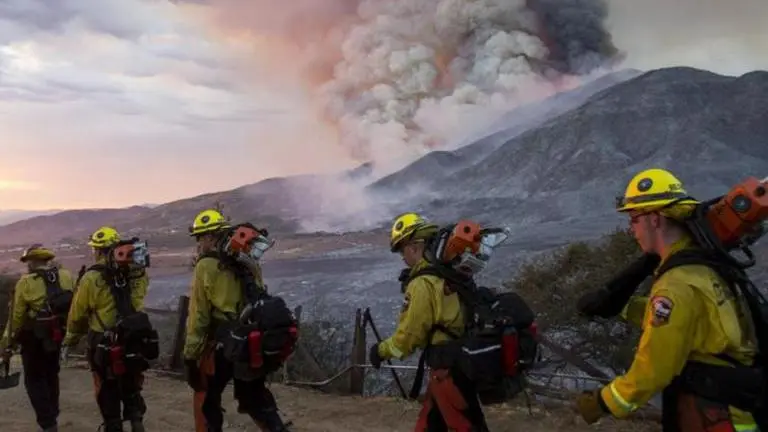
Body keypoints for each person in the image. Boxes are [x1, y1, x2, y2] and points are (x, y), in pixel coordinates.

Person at [574, 168, 760, 431]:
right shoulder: (704, 267)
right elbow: (687, 322)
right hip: (735, 414)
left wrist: (602, 402)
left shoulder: (675, 285)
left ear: (655, 219)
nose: (631, 230)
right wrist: (623, 307)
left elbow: (653, 369)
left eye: (634, 219)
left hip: (713, 416)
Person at [368, 212, 489, 431]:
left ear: (414, 247)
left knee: (466, 426)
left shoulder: (423, 282)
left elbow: (409, 337)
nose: (403, 258)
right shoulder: (448, 274)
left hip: (448, 371)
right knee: (429, 424)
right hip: (458, 364)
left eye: (402, 250)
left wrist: (380, 351)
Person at [183, 209, 289, 432]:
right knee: (255, 399)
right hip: (250, 341)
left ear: (210, 236)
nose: (199, 244)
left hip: (221, 344)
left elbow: (199, 316)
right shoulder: (248, 260)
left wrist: (190, 356)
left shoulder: (205, 266)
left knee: (207, 398)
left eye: (200, 238)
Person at [62, 226, 150, 432]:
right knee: (131, 384)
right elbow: (140, 296)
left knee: (107, 388)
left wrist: (70, 339)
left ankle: (113, 425)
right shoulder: (135, 273)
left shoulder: (91, 277)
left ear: (99, 250)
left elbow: (78, 313)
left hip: (102, 340)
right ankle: (136, 420)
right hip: (133, 336)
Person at [0, 244, 74, 432]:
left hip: (34, 338)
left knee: (34, 380)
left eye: (28, 261)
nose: (27, 265)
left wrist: (6, 345)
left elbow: (16, 318)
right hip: (57, 334)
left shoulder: (26, 283)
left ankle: (48, 423)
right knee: (51, 375)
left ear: (33, 261)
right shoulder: (65, 276)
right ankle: (52, 414)